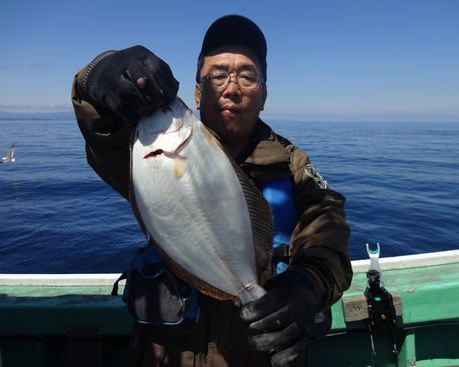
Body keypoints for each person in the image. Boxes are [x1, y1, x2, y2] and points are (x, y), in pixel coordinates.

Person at [72, 14, 352, 367]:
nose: (232, 88)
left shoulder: (292, 167)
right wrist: (98, 75)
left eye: (248, 75)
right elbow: (103, 132)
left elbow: (329, 233)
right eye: (218, 74)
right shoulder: (144, 149)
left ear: (264, 94)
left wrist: (308, 284)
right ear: (197, 91)